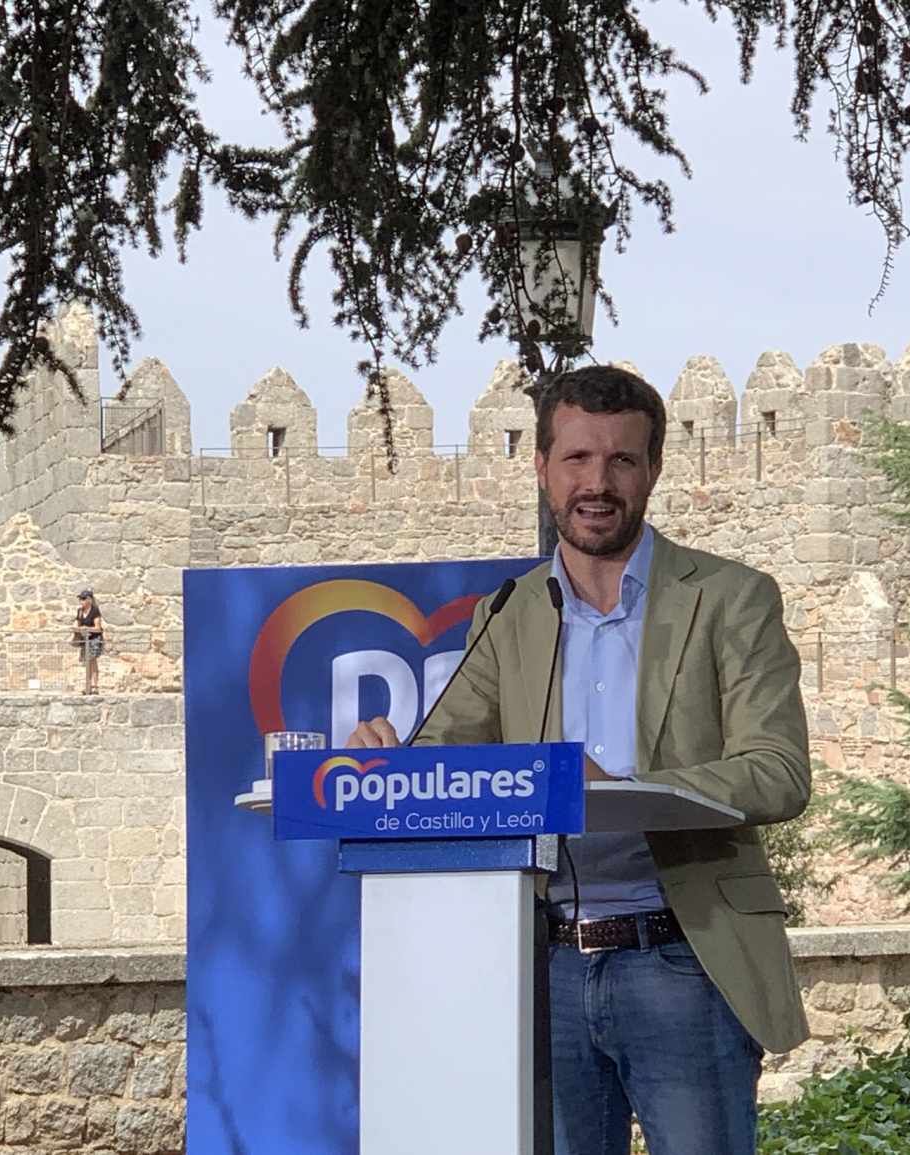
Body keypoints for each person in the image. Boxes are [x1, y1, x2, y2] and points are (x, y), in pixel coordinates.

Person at [348, 364, 811, 1155]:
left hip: (684, 957)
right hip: (546, 963)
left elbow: (778, 770)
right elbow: (442, 760)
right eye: (577, 459)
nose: (598, 483)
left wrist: (630, 791)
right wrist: (387, 763)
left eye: (622, 460)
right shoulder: (512, 611)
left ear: (655, 470)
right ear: (541, 468)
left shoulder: (731, 598)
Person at [72, 589, 105, 695]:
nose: (81, 601)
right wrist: (76, 630)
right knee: (87, 662)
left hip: (94, 639)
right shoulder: (80, 611)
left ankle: (94, 686)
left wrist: (87, 628)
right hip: (85, 639)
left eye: (83, 599)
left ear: (89, 600)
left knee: (93, 661)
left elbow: (98, 628)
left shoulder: (95, 611)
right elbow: (78, 625)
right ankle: (88, 686)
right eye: (80, 599)